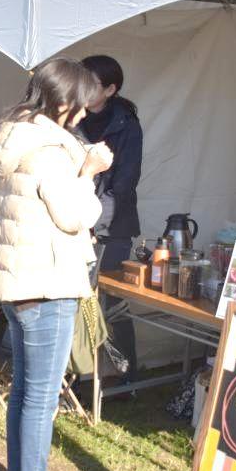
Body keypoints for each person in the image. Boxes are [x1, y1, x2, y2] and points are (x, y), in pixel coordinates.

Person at [0, 57, 114, 471]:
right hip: (47, 278)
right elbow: (74, 215)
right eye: (79, 107)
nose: (83, 115)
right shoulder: (51, 151)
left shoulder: (12, 135)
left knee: (24, 386)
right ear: (62, 103)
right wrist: (91, 173)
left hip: (18, 277)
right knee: (40, 391)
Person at [78, 55, 143, 377]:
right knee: (80, 301)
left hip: (111, 226)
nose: (83, 90)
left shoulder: (126, 124)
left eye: (91, 85)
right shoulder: (73, 118)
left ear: (110, 89)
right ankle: (85, 373)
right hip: (75, 220)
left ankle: (124, 374)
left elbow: (125, 182)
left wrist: (94, 221)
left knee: (112, 305)